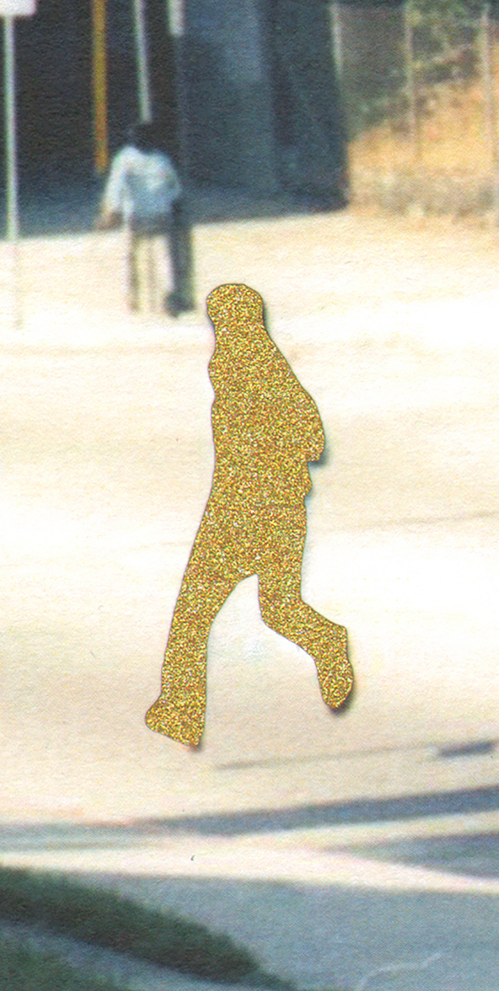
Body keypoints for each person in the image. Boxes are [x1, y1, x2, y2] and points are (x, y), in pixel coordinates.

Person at [146, 283, 354, 748]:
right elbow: (314, 441)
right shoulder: (273, 369)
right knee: (279, 608)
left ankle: (181, 712)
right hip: (283, 513)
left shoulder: (234, 371)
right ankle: (329, 644)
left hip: (237, 514)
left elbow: (279, 444)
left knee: (192, 616)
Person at [98, 121, 193, 315]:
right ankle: (170, 295)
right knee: (167, 256)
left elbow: (115, 186)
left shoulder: (124, 158)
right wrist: (175, 207)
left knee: (128, 256)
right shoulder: (162, 159)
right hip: (161, 214)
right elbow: (175, 189)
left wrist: (111, 211)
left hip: (135, 217)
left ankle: (131, 298)